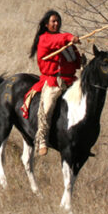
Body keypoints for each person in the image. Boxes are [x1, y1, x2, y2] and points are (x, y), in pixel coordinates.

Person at [27, 10, 82, 156]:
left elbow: (75, 61)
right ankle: (42, 140)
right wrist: (70, 37)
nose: (56, 24)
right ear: (46, 24)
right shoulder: (45, 39)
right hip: (53, 81)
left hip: (70, 80)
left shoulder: (64, 40)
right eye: (53, 21)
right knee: (47, 108)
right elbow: (58, 40)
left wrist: (81, 60)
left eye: (58, 21)